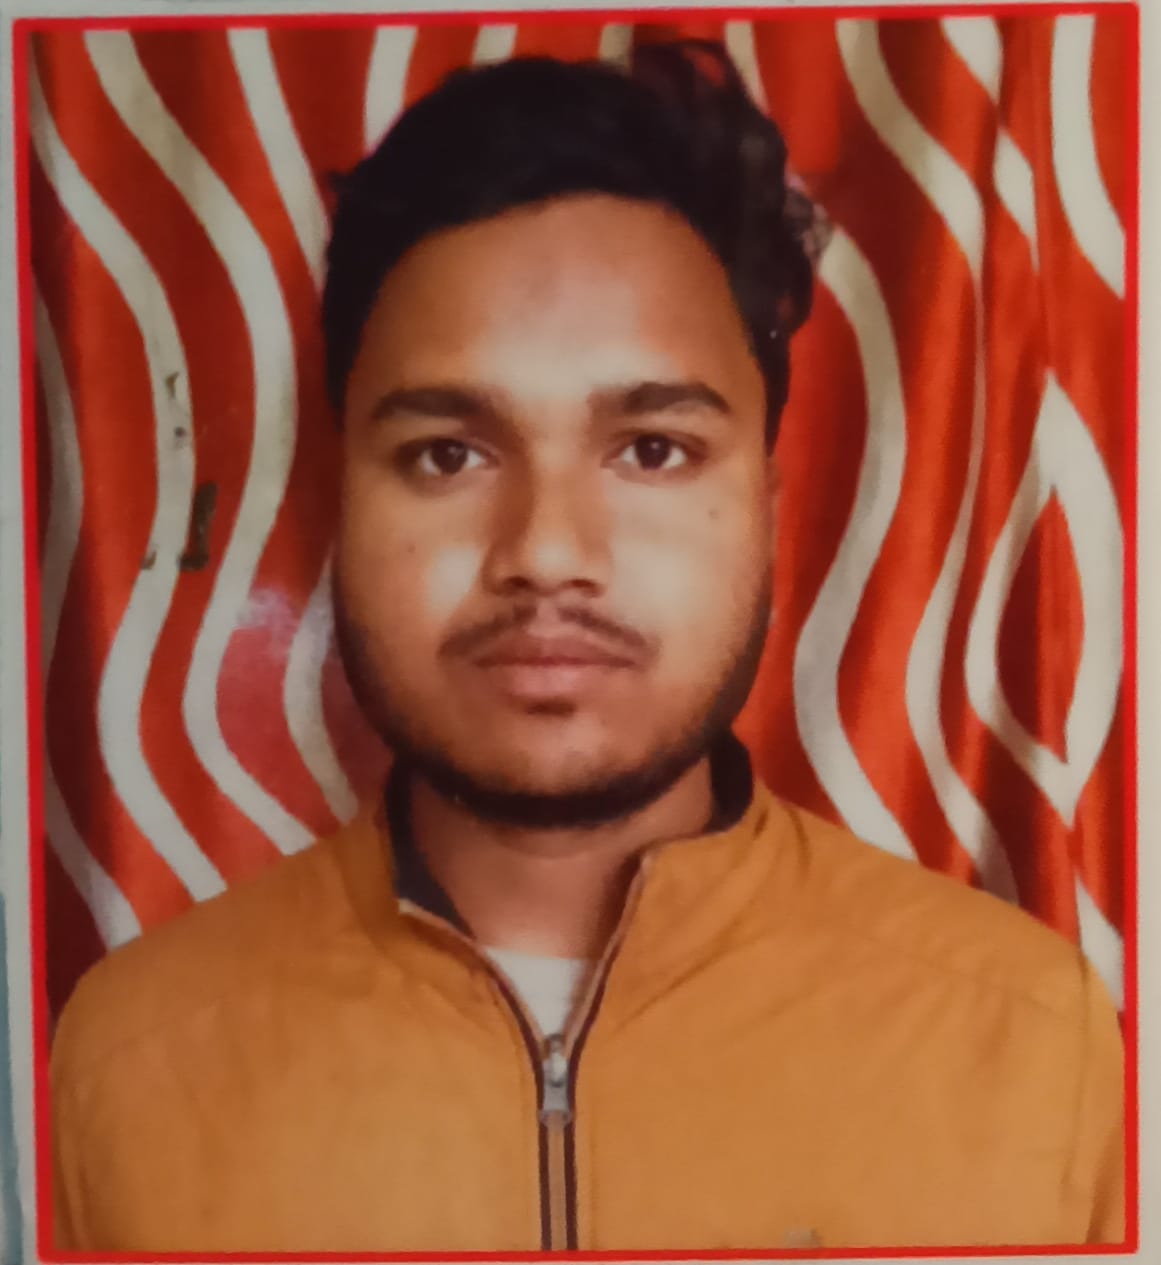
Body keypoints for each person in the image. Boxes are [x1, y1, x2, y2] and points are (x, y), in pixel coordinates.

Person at [50, 41, 1124, 1253]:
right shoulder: (129, 1063)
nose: (547, 550)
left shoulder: (1030, 1043)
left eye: (652, 450)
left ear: (768, 505)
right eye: (448, 454)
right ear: (340, 498)